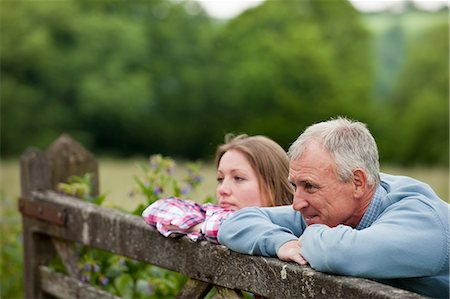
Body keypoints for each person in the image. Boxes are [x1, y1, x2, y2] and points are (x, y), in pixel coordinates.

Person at [218, 117, 449, 298]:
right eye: (295, 186)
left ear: (358, 182)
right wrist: (282, 242)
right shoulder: (328, 210)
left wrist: (309, 236)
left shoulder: (423, 219)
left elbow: (337, 253)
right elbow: (235, 224)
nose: (297, 203)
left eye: (309, 186)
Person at [142, 134, 293, 243]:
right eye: (220, 179)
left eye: (238, 178)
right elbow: (156, 209)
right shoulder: (216, 216)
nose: (223, 189)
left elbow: (242, 225)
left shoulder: (298, 226)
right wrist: (201, 226)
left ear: (273, 184)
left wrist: (200, 228)